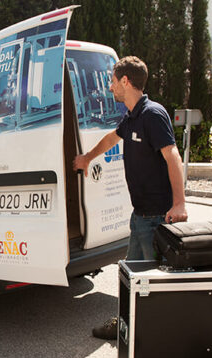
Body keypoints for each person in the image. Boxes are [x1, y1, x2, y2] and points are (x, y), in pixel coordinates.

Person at [73, 56, 187, 339]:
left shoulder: (152, 114)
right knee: (130, 277)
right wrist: (87, 157)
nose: (110, 87)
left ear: (126, 81)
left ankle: (159, 340)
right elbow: (113, 137)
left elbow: (172, 156)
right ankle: (126, 325)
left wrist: (180, 202)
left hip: (158, 218)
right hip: (140, 217)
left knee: (156, 283)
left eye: (113, 82)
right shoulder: (132, 116)